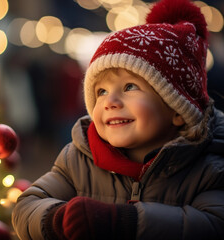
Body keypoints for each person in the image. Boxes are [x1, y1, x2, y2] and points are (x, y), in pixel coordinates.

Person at [12, 0, 224, 239]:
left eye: (130, 86)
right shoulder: (80, 158)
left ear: (177, 108)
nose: (109, 101)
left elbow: (213, 224)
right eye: (100, 91)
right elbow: (26, 205)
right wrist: (58, 218)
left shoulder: (210, 166)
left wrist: (125, 222)